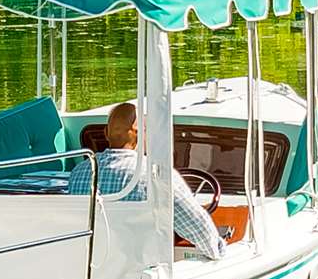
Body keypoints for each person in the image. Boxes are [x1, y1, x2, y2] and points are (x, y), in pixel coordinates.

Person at [72, 100, 225, 255]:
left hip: (93, 265)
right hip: (141, 271)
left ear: (106, 133)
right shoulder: (156, 175)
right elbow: (198, 229)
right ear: (140, 133)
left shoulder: (78, 173)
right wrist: (217, 249)